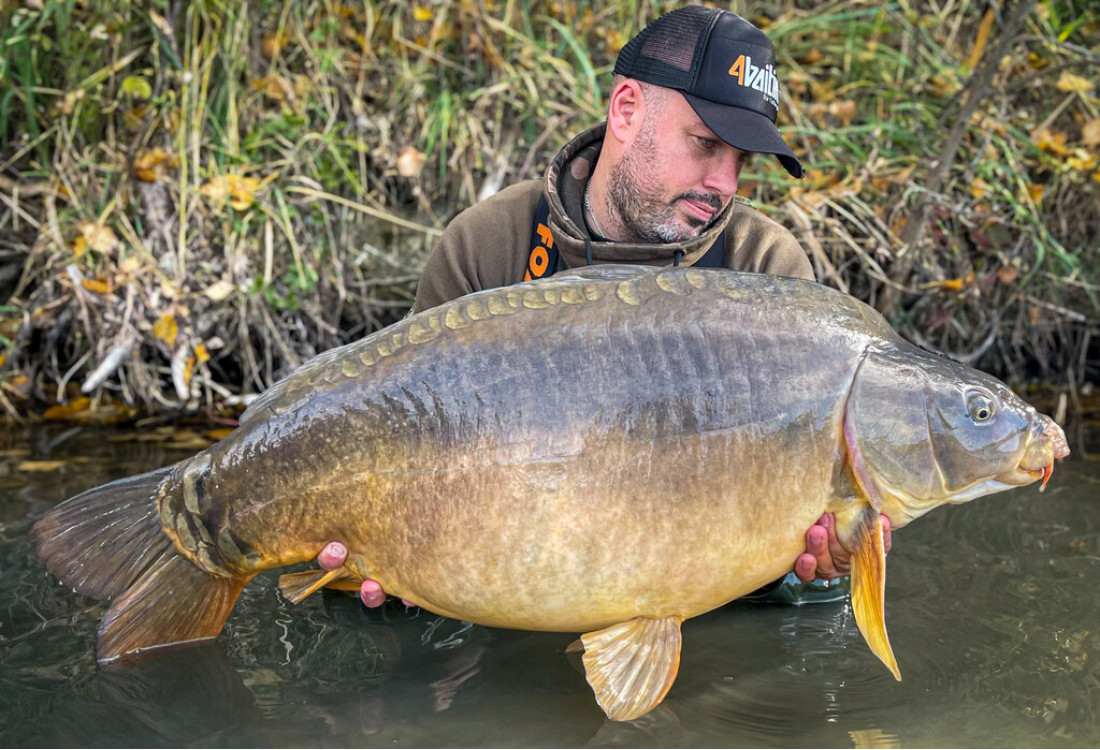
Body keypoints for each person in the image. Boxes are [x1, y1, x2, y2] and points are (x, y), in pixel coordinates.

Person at [316, 6, 891, 607]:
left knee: (808, 613)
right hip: (503, 574)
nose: (725, 183)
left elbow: (806, 510)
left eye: (741, 161)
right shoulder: (488, 245)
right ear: (626, 109)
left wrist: (823, 563)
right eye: (706, 144)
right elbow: (396, 432)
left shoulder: (766, 268)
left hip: (704, 594)